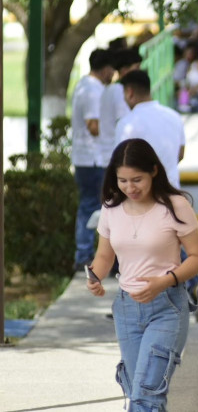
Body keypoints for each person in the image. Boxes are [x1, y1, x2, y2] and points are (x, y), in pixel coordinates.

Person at [86, 138, 198, 412]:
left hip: (166, 307)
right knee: (136, 391)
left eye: (137, 179)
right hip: (127, 309)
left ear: (154, 171)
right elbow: (105, 257)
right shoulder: (111, 208)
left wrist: (165, 281)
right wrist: (95, 277)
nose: (130, 188)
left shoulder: (175, 206)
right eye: (123, 180)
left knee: (146, 396)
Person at [115, 70, 198, 322]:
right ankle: (193, 284)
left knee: (153, 247)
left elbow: (120, 164)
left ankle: (153, 292)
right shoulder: (173, 116)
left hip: (141, 199)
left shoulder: (127, 123)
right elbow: (180, 153)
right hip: (172, 192)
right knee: (176, 245)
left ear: (129, 92)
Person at [71, 48, 115, 270]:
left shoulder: (84, 85)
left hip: (86, 158)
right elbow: (93, 125)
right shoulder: (93, 91)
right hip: (93, 158)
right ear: (106, 69)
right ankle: (84, 255)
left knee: (89, 206)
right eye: (112, 70)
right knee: (91, 206)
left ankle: (85, 254)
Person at [98, 48, 142, 171]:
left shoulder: (111, 89)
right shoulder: (119, 91)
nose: (139, 71)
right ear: (124, 70)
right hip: (116, 159)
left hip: (110, 157)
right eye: (136, 67)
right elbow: (125, 126)